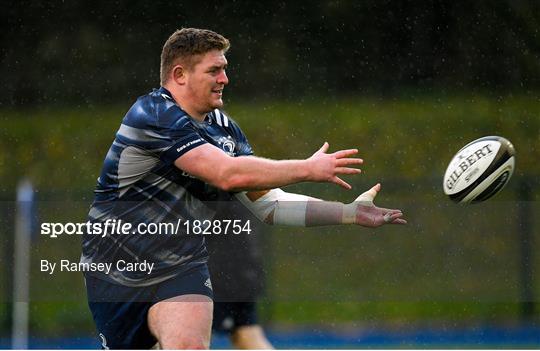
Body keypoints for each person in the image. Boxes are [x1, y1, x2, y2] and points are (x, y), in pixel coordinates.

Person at [81, 27, 406, 350]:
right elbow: (226, 174)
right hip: (115, 269)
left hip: (181, 267)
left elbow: (269, 205)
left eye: (224, 69)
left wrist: (348, 213)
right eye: (214, 70)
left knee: (188, 346)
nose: (225, 79)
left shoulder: (224, 129)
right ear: (180, 75)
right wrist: (307, 168)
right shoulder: (152, 114)